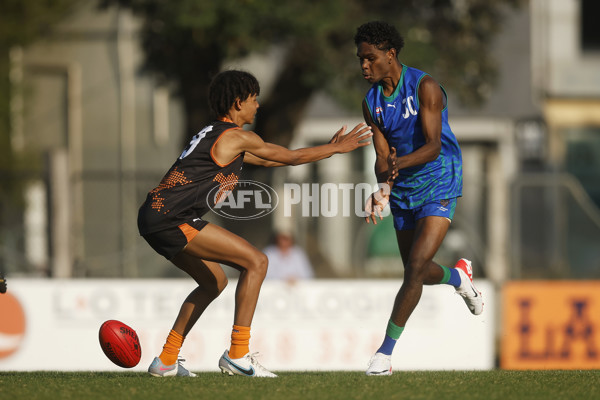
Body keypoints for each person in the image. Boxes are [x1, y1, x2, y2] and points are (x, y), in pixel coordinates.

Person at [137, 70, 372, 378]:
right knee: (257, 261)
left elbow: (274, 159)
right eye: (253, 99)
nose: (258, 106)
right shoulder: (236, 136)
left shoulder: (217, 135)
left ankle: (166, 359)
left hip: (155, 216)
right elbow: (289, 156)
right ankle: (237, 354)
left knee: (214, 282)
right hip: (171, 218)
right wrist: (337, 149)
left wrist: (325, 150)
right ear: (238, 102)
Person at [354, 21, 483, 376]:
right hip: (404, 188)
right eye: (360, 60)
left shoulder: (425, 87)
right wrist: (382, 188)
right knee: (416, 268)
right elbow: (381, 157)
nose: (364, 66)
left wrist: (396, 165)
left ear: (390, 55)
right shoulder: (371, 102)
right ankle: (459, 278)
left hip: (440, 178)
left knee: (413, 268)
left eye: (370, 58)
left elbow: (432, 146)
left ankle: (383, 355)